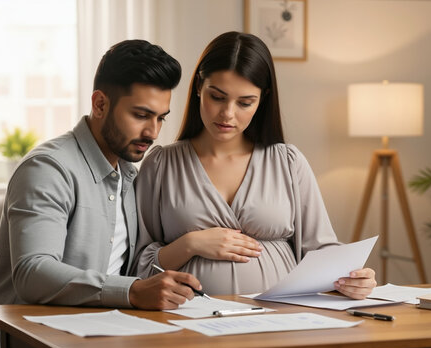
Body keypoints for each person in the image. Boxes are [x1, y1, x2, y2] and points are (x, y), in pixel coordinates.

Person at [0, 39, 203, 348]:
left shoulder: (131, 175)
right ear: (100, 104)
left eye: (161, 118)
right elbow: (33, 272)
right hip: (26, 347)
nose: (153, 132)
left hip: (105, 340)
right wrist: (134, 291)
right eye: (141, 115)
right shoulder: (48, 168)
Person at [134, 31, 376, 298]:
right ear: (199, 87)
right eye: (217, 97)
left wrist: (354, 279)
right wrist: (190, 244)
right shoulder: (160, 165)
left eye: (245, 103)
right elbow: (137, 267)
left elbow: (322, 250)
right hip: (189, 319)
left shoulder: (288, 162)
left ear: (262, 100)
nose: (228, 114)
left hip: (282, 317)